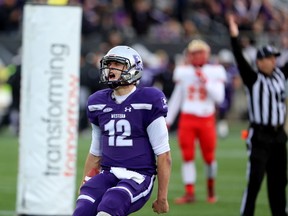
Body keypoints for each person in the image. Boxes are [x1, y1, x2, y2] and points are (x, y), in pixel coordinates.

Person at [72, 45, 172, 216]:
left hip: (138, 176)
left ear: (133, 69)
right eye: (109, 64)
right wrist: (85, 181)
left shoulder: (148, 100)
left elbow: (163, 155)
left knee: (110, 204)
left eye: (117, 65)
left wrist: (162, 197)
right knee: (82, 209)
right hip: (108, 174)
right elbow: (96, 152)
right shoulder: (97, 102)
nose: (110, 69)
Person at [228, 14, 288, 216]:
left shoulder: (280, 75)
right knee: (255, 181)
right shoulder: (253, 78)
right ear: (260, 62)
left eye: (274, 58)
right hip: (260, 136)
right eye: (270, 58)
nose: (273, 61)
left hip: (278, 136)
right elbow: (239, 58)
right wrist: (234, 37)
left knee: (279, 182)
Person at [166, 39, 226, 204]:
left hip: (206, 117)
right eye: (194, 53)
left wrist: (205, 80)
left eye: (200, 53)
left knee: (209, 157)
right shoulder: (183, 72)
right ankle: (189, 192)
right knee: (187, 156)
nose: (197, 56)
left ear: (206, 54)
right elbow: (177, 98)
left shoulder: (215, 71)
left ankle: (210, 189)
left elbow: (219, 98)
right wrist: (168, 119)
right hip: (188, 118)